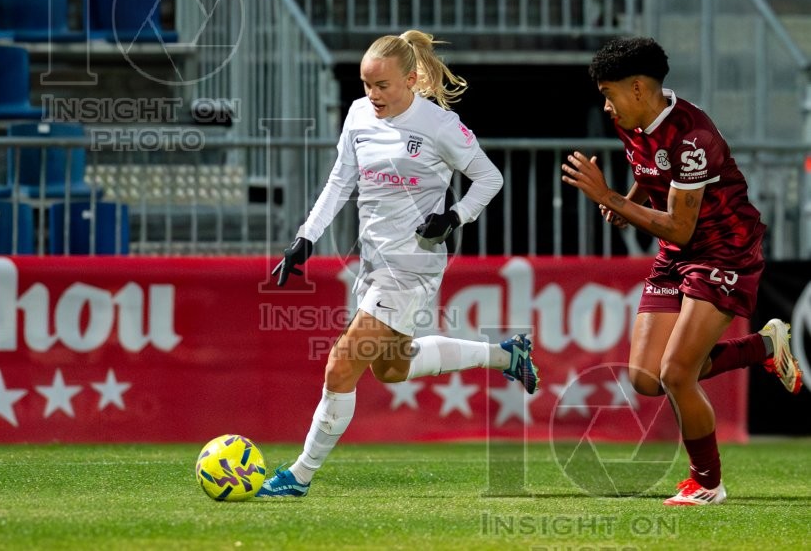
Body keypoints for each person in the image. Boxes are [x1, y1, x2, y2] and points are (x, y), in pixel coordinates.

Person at [258, 30, 539, 498]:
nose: (373, 95)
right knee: (391, 369)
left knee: (340, 366)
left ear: (410, 79)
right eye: (367, 85)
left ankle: (299, 476)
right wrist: (305, 238)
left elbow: (490, 177)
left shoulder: (440, 124)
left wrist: (454, 216)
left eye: (383, 86)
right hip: (373, 262)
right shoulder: (357, 115)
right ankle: (507, 354)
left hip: (412, 265)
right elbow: (339, 182)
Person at [562, 36, 803, 506]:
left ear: (636, 89)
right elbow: (651, 165)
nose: (606, 108)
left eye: (608, 95)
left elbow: (681, 223)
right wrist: (630, 201)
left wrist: (608, 197)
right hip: (677, 253)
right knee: (645, 378)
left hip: (724, 252)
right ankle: (762, 345)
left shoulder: (695, 138)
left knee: (677, 374)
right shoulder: (633, 117)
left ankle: (708, 483)